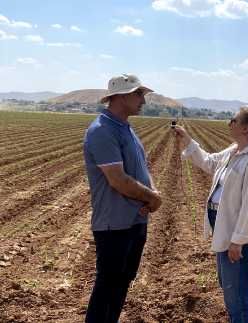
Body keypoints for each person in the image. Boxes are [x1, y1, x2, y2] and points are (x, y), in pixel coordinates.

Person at [171, 105, 248, 323]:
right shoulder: (233, 151)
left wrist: (238, 240)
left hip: (235, 231)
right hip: (222, 224)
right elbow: (209, 162)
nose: (229, 123)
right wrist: (187, 141)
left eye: (233, 120)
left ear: (245, 128)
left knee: (236, 293)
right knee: (228, 284)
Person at [83, 74, 162, 323]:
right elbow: (117, 179)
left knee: (122, 284)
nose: (144, 101)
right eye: (139, 95)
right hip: (114, 224)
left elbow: (140, 169)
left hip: (135, 223)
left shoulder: (125, 128)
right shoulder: (103, 131)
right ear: (121, 96)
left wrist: (153, 195)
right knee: (107, 286)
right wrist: (153, 198)